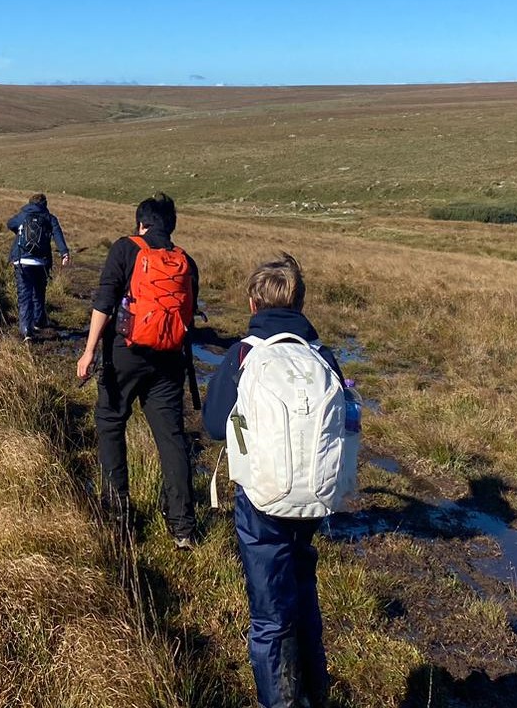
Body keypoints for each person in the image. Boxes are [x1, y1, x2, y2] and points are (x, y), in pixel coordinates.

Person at [201, 253, 341, 708]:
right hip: (316, 498)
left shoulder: (243, 354)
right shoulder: (322, 355)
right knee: (303, 594)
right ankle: (314, 694)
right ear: (300, 302)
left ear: (252, 302)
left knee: (269, 615)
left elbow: (216, 425)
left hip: (261, 500)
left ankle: (278, 701)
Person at [75, 193, 198, 549]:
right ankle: (183, 528)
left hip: (125, 354)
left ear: (141, 223)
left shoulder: (125, 249)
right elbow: (188, 317)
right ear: (171, 226)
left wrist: (88, 351)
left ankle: (118, 514)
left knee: (111, 422)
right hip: (171, 359)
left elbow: (104, 302)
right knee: (171, 437)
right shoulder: (185, 261)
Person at [7, 194, 70, 342]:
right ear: (45, 204)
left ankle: (26, 330)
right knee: (39, 292)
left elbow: (10, 224)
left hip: (22, 260)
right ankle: (39, 321)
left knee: (24, 295)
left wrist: (19, 231)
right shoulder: (49, 218)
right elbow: (58, 235)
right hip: (41, 262)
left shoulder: (23, 215)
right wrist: (64, 253)